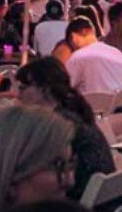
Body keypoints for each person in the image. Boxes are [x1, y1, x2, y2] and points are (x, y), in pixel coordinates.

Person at [15, 57, 116, 201]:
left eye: (23, 87)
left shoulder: (56, 125)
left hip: (77, 206)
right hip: (101, 204)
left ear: (44, 89)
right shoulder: (73, 114)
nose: (19, 95)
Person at [62, 14, 122, 95]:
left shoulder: (78, 57)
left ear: (73, 37)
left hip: (95, 106)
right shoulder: (118, 54)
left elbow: (63, 88)